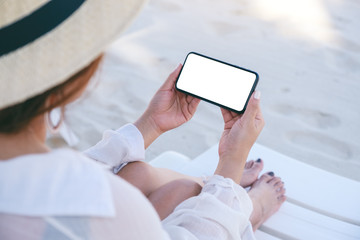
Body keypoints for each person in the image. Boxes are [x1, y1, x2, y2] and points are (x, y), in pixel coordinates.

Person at [0, 0, 285, 239]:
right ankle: (247, 207)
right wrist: (232, 161)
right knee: (184, 192)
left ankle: (213, 184)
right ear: (70, 79)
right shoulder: (113, 211)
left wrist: (149, 125)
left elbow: (67, 184)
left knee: (142, 175)